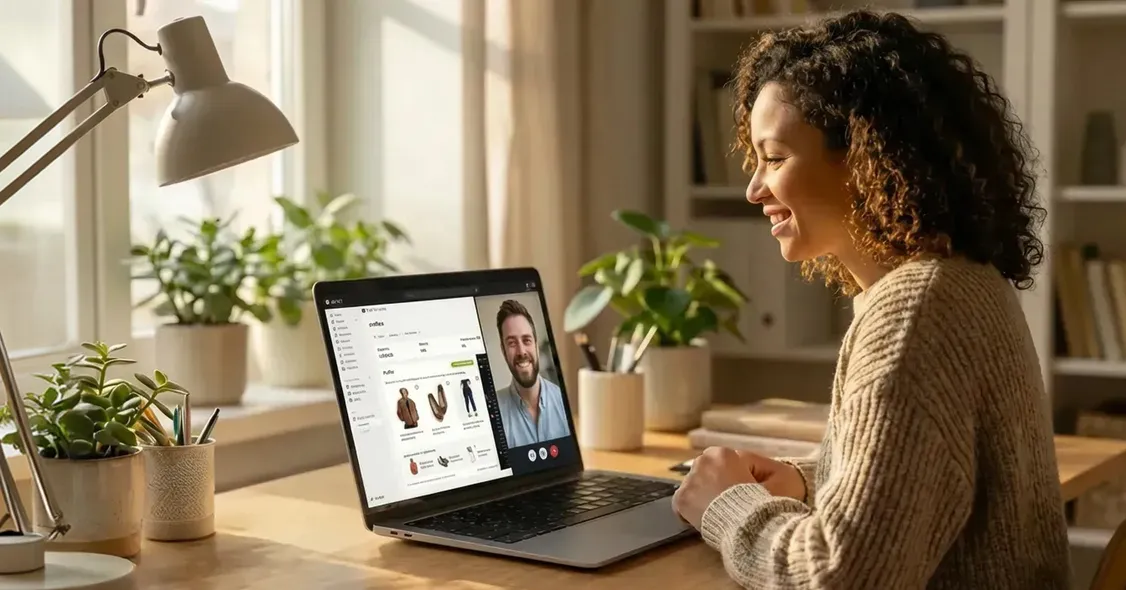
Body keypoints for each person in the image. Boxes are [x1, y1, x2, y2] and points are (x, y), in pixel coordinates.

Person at [670, 10, 1071, 589]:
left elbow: (839, 576)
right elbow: (917, 482)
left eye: (776, 158)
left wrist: (726, 506)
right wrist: (807, 482)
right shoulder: (959, 280)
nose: (755, 188)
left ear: (864, 158)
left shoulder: (914, 313)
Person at [493, 299, 569, 448]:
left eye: (526, 340)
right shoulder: (493, 412)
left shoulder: (561, 400)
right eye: (512, 343)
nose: (521, 352)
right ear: (503, 351)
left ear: (536, 345)